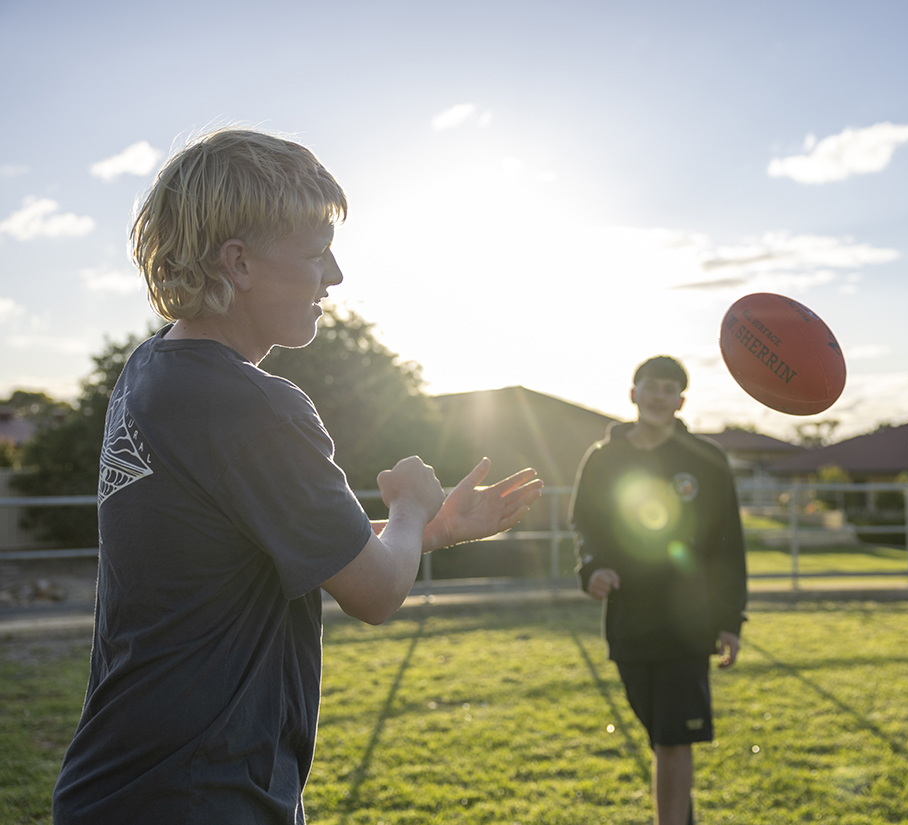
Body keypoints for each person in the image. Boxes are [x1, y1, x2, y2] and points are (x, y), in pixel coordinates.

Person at [51, 129, 543, 824]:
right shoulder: (255, 405)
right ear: (239, 262)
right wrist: (406, 506)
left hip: (119, 784)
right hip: (202, 795)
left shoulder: (150, 372)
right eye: (316, 254)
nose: (334, 276)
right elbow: (374, 592)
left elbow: (264, 543)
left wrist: (431, 530)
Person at [569, 356, 747, 825]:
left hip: (690, 621)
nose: (659, 396)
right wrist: (592, 568)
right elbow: (585, 525)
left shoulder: (706, 460)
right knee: (658, 734)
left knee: (672, 740)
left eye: (670, 389)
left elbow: (728, 544)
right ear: (633, 393)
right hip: (629, 621)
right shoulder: (604, 458)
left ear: (681, 401)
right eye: (651, 386)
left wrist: (730, 619)